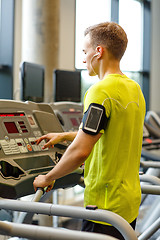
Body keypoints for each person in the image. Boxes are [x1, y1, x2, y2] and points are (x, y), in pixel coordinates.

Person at [33, 22, 146, 239]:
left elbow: (80, 151)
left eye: (85, 52)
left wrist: (48, 177)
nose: (84, 59)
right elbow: (110, 132)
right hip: (129, 200)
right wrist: (65, 135)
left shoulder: (100, 91)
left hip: (104, 203)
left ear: (99, 51)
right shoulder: (134, 89)